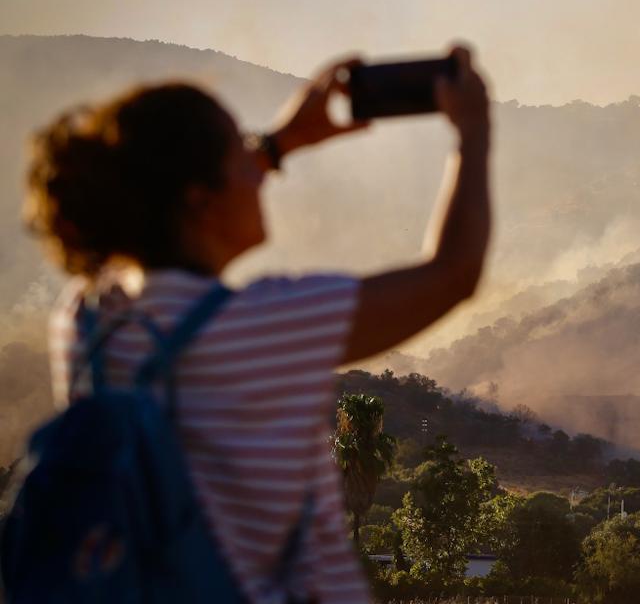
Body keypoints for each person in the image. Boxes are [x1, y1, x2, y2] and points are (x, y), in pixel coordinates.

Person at [22, 46, 491, 604]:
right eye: (239, 153)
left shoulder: (85, 320)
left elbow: (150, 215)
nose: (255, 166)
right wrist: (473, 133)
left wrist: (275, 145)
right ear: (199, 202)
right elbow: (454, 273)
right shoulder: (259, 324)